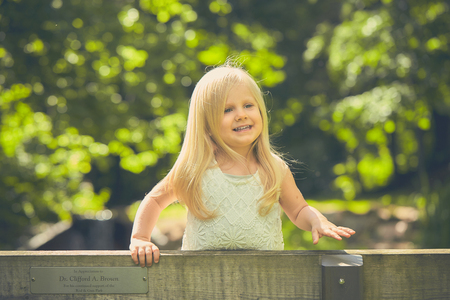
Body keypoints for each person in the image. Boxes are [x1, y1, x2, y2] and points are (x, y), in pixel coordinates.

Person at [130, 62, 355, 267]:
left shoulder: (274, 168)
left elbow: (298, 210)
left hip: (264, 278)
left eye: (248, 105)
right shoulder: (196, 168)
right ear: (206, 123)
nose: (241, 115)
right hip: (202, 280)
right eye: (227, 110)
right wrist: (140, 238)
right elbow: (155, 200)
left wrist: (317, 220)